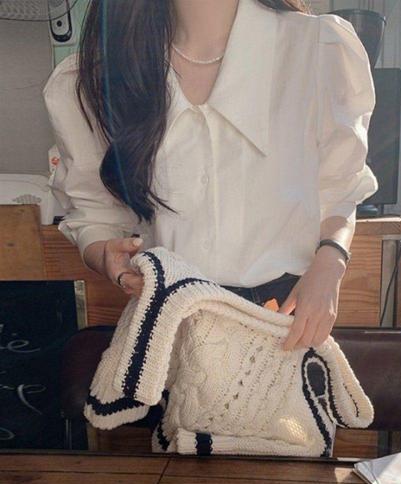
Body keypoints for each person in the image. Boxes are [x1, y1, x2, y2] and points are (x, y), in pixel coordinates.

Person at [43, 0, 378, 352]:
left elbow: (339, 189)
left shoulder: (319, 49)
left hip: (285, 324)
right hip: (168, 333)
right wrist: (108, 258)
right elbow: (94, 213)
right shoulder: (99, 76)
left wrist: (329, 266)